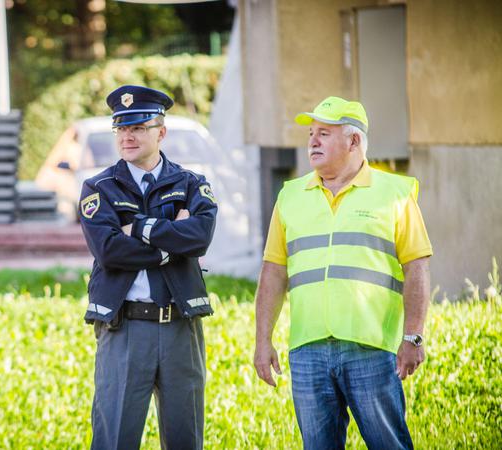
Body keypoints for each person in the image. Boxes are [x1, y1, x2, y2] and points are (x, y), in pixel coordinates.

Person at [253, 96, 432, 449]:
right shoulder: (290, 196)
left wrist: (413, 336)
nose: (313, 142)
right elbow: (273, 273)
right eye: (311, 134)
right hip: (307, 350)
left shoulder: (394, 193)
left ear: (354, 141)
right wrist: (263, 340)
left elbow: (417, 267)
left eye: (324, 133)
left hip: (371, 348)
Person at [79, 85, 218, 449]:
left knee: (186, 437)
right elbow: (109, 250)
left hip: (179, 328)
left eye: (138, 128)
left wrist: (138, 228)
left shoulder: (190, 183)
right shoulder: (100, 188)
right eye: (122, 129)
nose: (128, 136)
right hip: (125, 327)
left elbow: (200, 237)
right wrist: (170, 246)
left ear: (161, 132)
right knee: (116, 438)